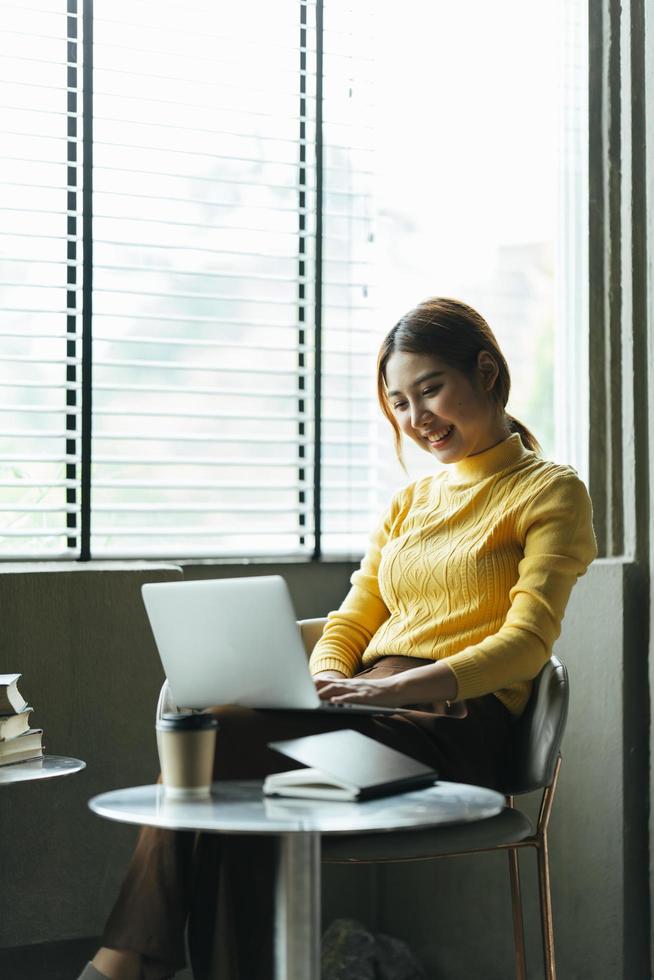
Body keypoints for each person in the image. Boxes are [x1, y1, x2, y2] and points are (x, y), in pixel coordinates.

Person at [79, 297, 597, 980]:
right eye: (400, 403)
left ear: (487, 371)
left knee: (219, 745)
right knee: (221, 761)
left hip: (457, 725)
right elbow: (354, 618)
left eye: (431, 389)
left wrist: (391, 686)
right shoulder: (411, 503)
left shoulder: (550, 491)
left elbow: (527, 645)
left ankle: (121, 965)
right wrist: (323, 683)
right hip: (371, 709)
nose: (418, 420)